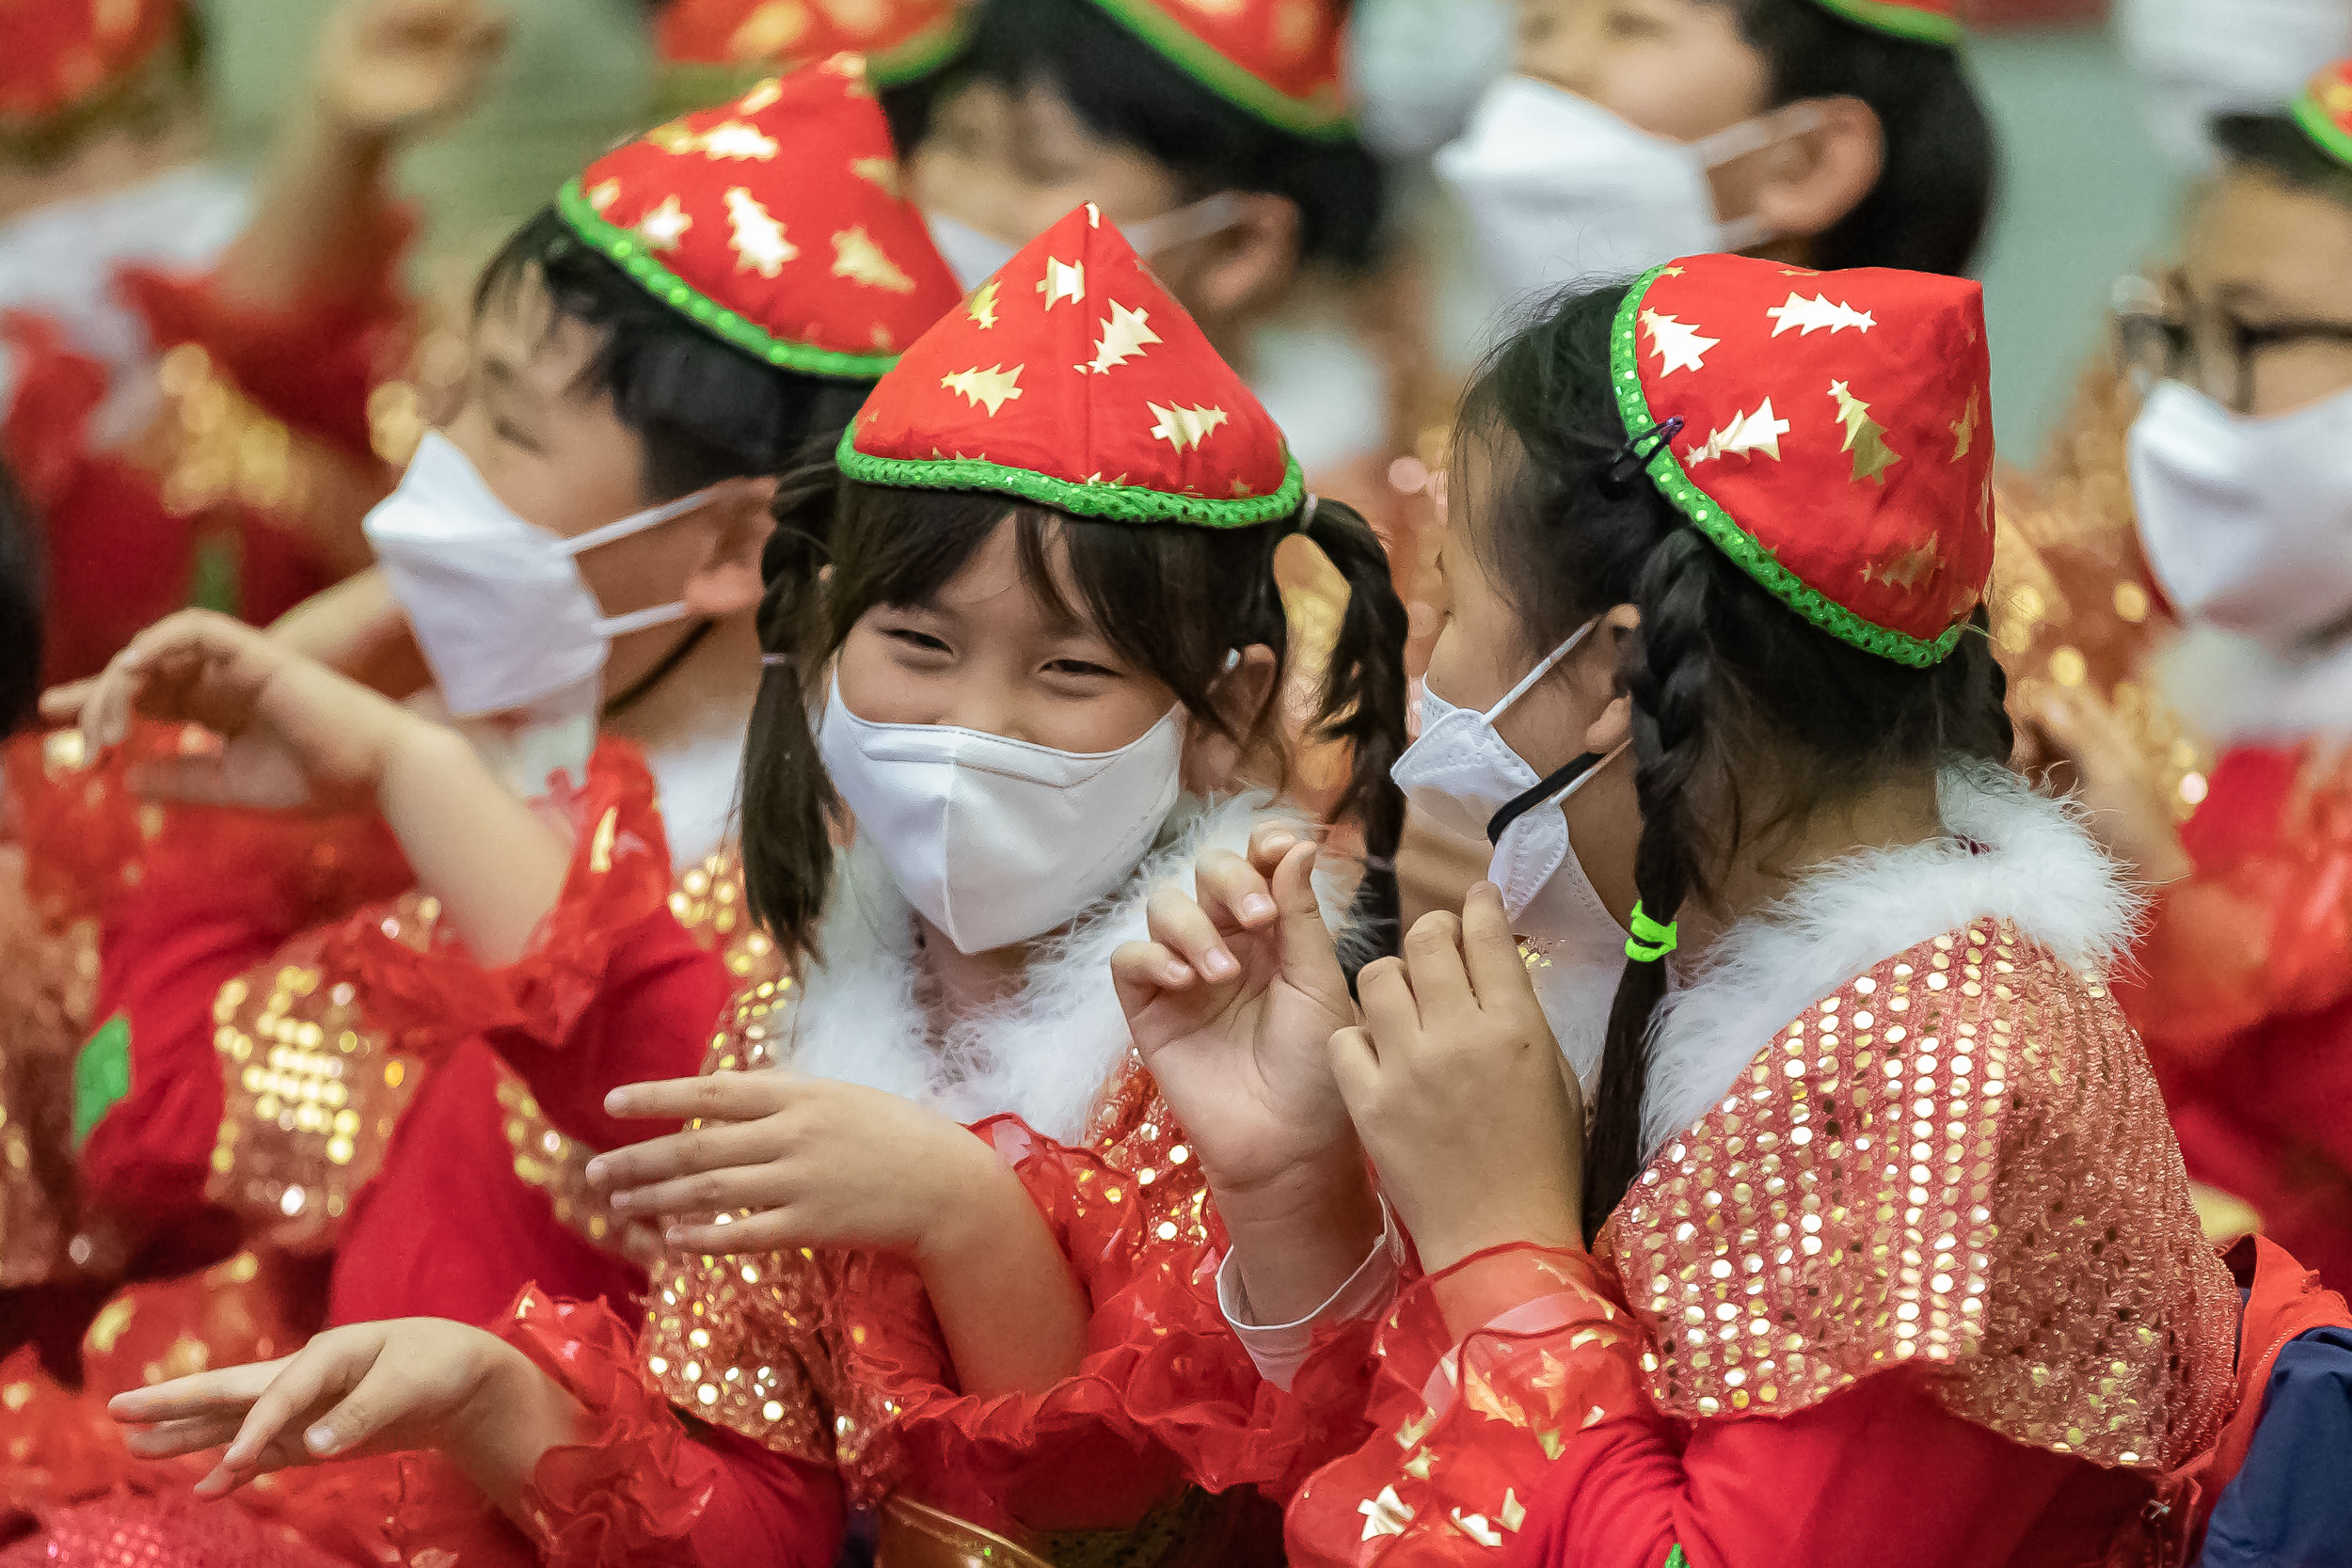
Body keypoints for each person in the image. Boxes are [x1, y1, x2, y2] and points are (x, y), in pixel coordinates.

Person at [103, 203, 1410, 1567]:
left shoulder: (1245, 991)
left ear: (1221, 709)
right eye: (915, 643)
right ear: (826, 629)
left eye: (1069, 672)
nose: (971, 723)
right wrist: (487, 1394)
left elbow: (1139, 1512)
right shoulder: (792, 986)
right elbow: (759, 1521)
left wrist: (962, 1214)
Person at [1134, 253, 2295, 1563]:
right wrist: (1294, 1186)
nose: (1421, 674)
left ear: (1618, 673)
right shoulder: (1673, 984)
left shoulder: (1948, 1087)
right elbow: (1400, 1478)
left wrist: (1507, 1249)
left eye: (1453, 604)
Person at [0, 58, 965, 1544]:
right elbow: (148, 1119)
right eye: (455, 398)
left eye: (505, 431)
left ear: (725, 542)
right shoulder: (538, 744)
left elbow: (155, 1126)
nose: (436, 469)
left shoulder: (746, 916)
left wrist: (274, 812)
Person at [2034, 61, 2352, 1299]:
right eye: (2177, 332)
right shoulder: (2195, 679)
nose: (2177, 398)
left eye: (2252, 335)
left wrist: (2161, 887)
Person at [0, 0, 504, 687]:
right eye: (42, 152)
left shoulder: (300, 334)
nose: (110, 179)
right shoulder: (28, 409)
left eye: (148, 123)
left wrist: (342, 137)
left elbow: (276, 321)